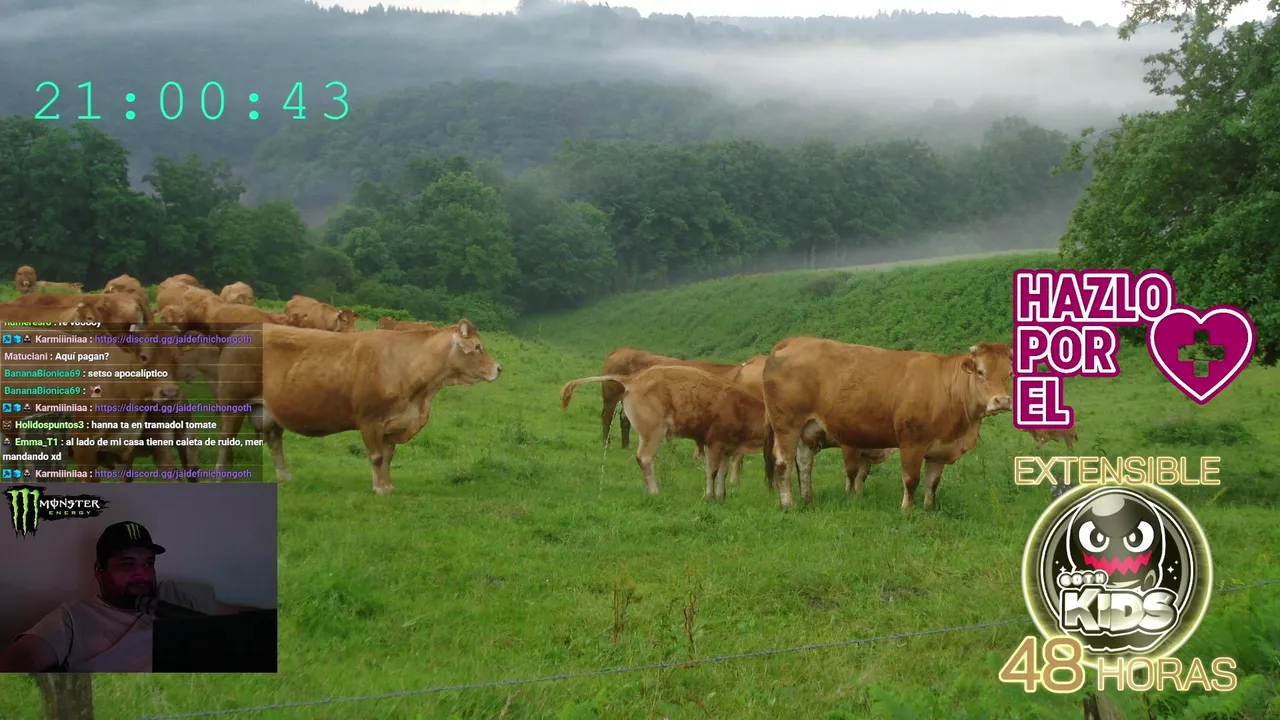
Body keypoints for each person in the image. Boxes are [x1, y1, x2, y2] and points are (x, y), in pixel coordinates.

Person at [0, 520, 258, 672]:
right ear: (99, 571)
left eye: (148, 564)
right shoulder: (72, 618)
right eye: (127, 564)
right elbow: (18, 660)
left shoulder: (177, 593)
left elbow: (248, 621)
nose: (142, 574)